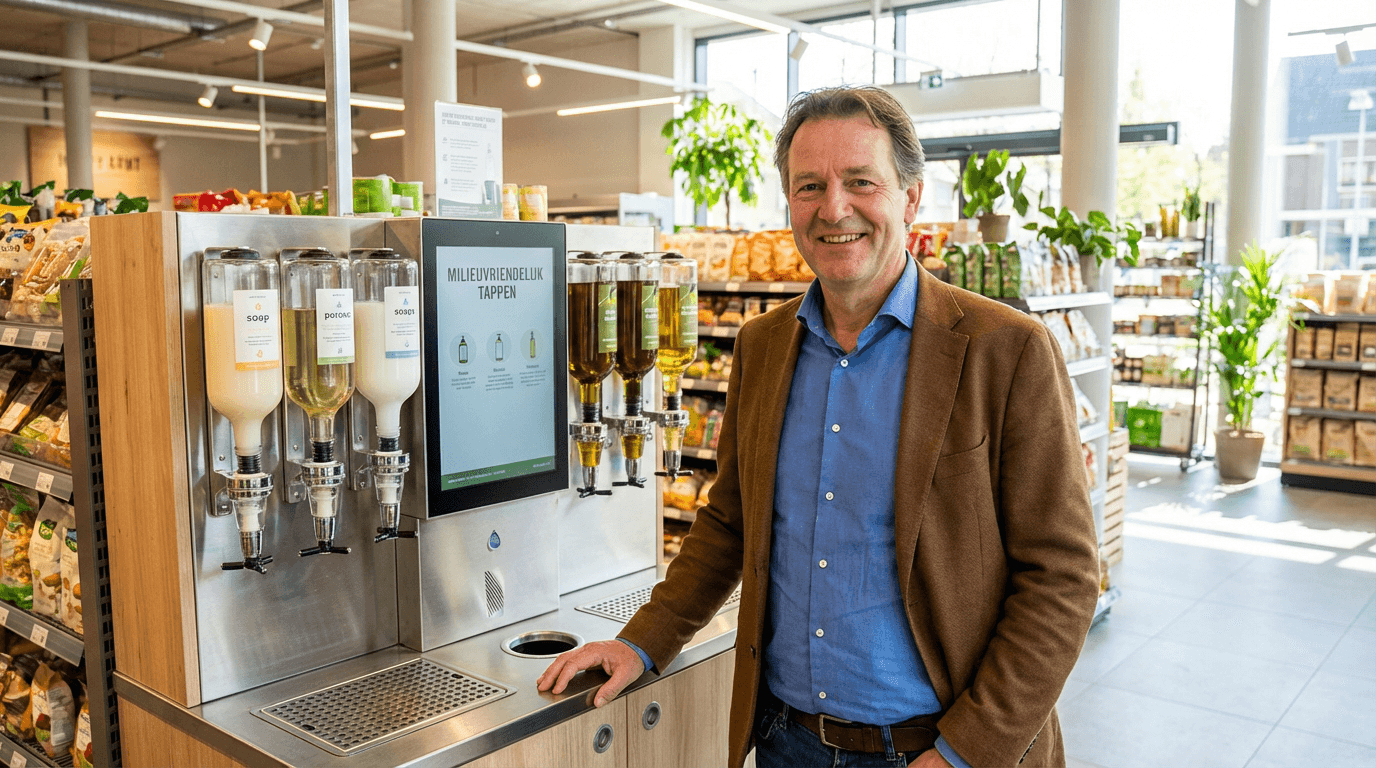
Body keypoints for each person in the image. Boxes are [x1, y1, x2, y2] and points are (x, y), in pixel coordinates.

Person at [539, 85, 1101, 768]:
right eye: (810, 186)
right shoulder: (763, 345)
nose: (834, 209)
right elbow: (730, 521)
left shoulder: (1005, 350)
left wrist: (965, 752)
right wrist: (642, 639)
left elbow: (1063, 577)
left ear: (911, 198)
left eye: (861, 181)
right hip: (788, 740)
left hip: (934, 748)